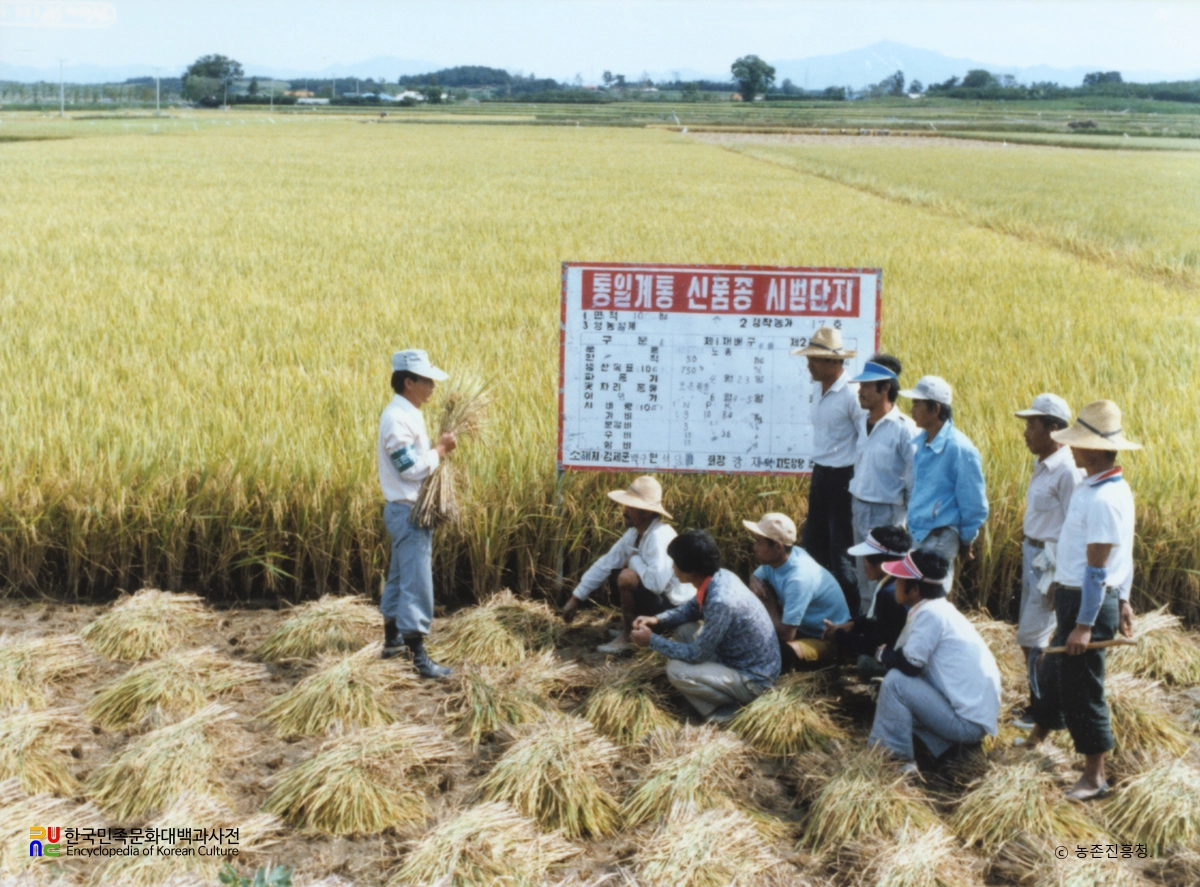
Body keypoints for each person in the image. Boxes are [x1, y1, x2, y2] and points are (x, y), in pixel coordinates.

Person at [1023, 401, 1140, 802]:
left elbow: (1098, 569)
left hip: (1089, 602)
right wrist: (1123, 600)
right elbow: (1124, 557)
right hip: (1078, 596)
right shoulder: (1098, 486)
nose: (1070, 447)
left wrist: (1086, 624)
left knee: (1083, 688)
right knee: (1052, 667)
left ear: (1095, 449)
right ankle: (1040, 733)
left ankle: (1094, 775)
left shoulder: (1105, 498)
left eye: (1077, 442)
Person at [867, 549, 1002, 772]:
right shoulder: (940, 609)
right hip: (971, 719)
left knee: (895, 682)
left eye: (900, 579)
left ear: (915, 589)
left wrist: (883, 655)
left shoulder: (931, 614)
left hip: (966, 725)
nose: (896, 583)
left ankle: (894, 761)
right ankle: (947, 751)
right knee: (897, 699)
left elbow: (909, 667)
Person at [631, 529, 781, 722]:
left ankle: (723, 714)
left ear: (691, 571)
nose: (673, 569)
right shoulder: (719, 576)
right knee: (684, 630)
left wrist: (652, 641)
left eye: (675, 564)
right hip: (738, 659)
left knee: (675, 670)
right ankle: (715, 694)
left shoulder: (722, 601)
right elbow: (691, 609)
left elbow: (696, 654)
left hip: (755, 680)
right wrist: (657, 619)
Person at [377, 349, 458, 679]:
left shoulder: (409, 412)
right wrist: (439, 451)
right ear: (409, 382)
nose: (432, 387)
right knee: (416, 582)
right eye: (427, 380)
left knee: (399, 576)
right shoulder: (397, 418)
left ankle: (392, 641)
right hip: (408, 513)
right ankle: (419, 656)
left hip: (406, 512)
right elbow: (409, 468)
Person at [560, 475, 695, 654]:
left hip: (675, 610)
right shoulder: (634, 534)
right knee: (617, 571)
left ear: (646, 512)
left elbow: (656, 585)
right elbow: (605, 563)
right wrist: (575, 598)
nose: (624, 510)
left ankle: (628, 636)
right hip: (659, 605)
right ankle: (633, 627)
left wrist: (633, 560)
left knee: (627, 576)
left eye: (630, 506)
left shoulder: (659, 536)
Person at [1012, 393, 1083, 728]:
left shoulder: (1067, 471)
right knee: (1033, 638)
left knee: (1033, 639)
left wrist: (1060, 576)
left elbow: (1074, 526)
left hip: (1050, 562)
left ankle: (1044, 712)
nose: (1026, 432)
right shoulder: (1043, 464)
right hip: (1034, 555)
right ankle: (1041, 707)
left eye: (1032, 425)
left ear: (1053, 429)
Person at [792, 326, 863, 613]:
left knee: (841, 554)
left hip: (844, 479)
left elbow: (866, 442)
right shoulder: (817, 388)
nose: (808, 364)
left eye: (814, 359)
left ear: (834, 362)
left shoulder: (852, 394)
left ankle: (850, 619)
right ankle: (821, 615)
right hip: (821, 475)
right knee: (813, 548)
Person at [901, 375, 988, 593]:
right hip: (919, 535)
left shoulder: (959, 449)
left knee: (930, 598)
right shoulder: (922, 442)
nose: (911, 410)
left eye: (917, 404)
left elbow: (974, 504)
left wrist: (967, 540)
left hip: (939, 539)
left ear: (936, 409)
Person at [847, 355, 916, 613]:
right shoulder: (861, 424)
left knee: (885, 578)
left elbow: (913, 481)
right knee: (864, 577)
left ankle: (882, 638)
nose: (860, 392)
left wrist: (900, 519)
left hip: (886, 514)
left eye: (867, 386)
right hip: (859, 508)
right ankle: (866, 636)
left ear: (885, 388)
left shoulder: (904, 429)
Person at [744, 512, 850, 669]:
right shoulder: (781, 558)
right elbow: (756, 576)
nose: (754, 547)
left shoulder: (798, 579)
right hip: (802, 628)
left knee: (779, 652)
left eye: (759, 542)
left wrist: (769, 604)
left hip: (826, 638)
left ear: (778, 547)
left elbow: (786, 635)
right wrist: (753, 580)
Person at [823, 525, 913, 680]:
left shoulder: (890, 593)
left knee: (865, 663)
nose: (863, 564)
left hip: (909, 662)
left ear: (881, 562)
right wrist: (853, 624)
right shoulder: (898, 580)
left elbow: (876, 645)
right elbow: (883, 621)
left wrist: (839, 636)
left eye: (866, 558)